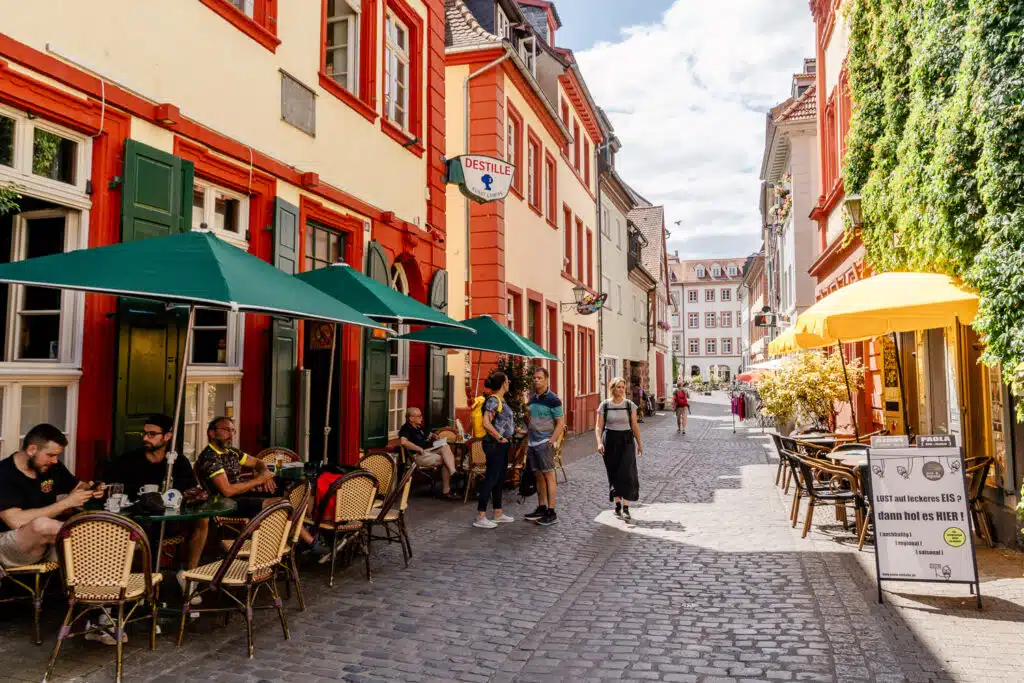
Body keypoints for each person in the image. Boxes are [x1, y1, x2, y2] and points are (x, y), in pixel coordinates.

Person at [0, 425, 113, 643]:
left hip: (48, 542)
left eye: (56, 456)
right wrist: (66, 504)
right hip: (10, 546)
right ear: (32, 449)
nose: (54, 460)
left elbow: (77, 485)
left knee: (81, 542)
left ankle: (99, 616)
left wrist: (90, 489)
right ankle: (106, 546)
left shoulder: (51, 468)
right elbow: (14, 521)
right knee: (43, 524)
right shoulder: (4, 474)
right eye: (50, 455)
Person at [104, 414, 208, 604]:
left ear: (167, 436)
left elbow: (189, 489)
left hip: (170, 520)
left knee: (202, 520)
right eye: (144, 433)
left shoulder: (178, 462)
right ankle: (143, 584)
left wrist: (192, 494)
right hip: (138, 521)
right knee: (145, 530)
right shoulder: (129, 461)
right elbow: (109, 485)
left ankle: (189, 577)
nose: (145, 438)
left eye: (152, 434)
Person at [195, 417, 320, 551]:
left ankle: (288, 539)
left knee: (285, 493)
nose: (230, 435)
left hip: (241, 494)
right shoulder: (210, 458)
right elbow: (227, 491)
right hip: (224, 504)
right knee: (279, 503)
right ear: (212, 433)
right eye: (226, 430)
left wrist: (265, 475)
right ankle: (307, 542)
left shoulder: (231, 452)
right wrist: (260, 480)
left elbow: (258, 462)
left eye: (232, 431)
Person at [595, 377, 644, 521]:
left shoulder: (630, 405)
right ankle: (617, 504)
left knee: (627, 472)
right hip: (610, 440)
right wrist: (599, 442)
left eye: (623, 387)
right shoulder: (604, 405)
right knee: (614, 472)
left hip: (627, 440)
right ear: (612, 388)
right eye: (618, 387)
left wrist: (639, 444)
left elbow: (635, 425)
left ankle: (627, 507)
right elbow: (598, 427)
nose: (621, 390)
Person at [473, 372, 515, 529]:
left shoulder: (500, 400)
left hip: (502, 445)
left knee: (499, 478)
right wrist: (499, 437)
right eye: (507, 380)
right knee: (491, 478)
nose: (509, 382)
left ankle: (498, 513)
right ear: (504, 383)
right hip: (494, 445)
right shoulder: (493, 400)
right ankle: (480, 517)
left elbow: (502, 422)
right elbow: (486, 422)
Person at [524, 367, 565, 526]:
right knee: (538, 475)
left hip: (544, 442)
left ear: (546, 380)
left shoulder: (553, 400)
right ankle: (541, 507)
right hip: (533, 442)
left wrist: (552, 441)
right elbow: (529, 417)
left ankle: (551, 511)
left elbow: (560, 423)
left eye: (539, 378)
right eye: (534, 378)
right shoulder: (533, 398)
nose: (536, 380)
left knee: (548, 475)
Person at [398, 407, 459, 499]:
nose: (421, 418)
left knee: (445, 446)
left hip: (425, 452)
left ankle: (453, 471)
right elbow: (403, 442)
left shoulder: (418, 427)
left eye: (421, 416)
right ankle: (446, 491)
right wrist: (418, 448)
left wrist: (434, 436)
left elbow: (427, 434)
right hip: (415, 456)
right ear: (411, 418)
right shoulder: (406, 428)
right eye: (418, 416)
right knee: (447, 459)